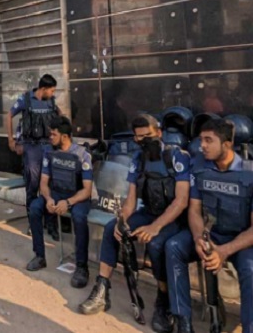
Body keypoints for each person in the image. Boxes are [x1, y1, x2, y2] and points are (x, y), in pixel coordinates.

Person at [79, 115, 191, 333]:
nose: (144, 141)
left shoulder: (176, 157)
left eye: (148, 136)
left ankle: (164, 299)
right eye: (139, 138)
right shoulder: (138, 159)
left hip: (173, 218)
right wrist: (122, 220)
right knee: (112, 229)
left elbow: (181, 201)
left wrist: (155, 227)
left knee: (157, 244)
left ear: (159, 133)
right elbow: (130, 199)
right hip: (148, 213)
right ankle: (102, 289)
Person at [165, 119, 253, 333]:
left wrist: (224, 251)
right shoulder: (199, 168)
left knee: (251, 269)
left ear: (227, 144)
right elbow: (194, 210)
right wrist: (198, 239)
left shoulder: (250, 174)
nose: (202, 145)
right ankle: (183, 321)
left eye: (208, 140)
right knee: (174, 246)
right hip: (210, 234)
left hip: (241, 241)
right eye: (201, 140)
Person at [27, 116, 94, 289]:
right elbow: (43, 182)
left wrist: (68, 202)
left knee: (79, 217)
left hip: (78, 197)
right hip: (56, 193)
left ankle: (82, 267)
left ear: (64, 136)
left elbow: (87, 190)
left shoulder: (82, 155)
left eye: (53, 134)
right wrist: (49, 199)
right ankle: (40, 256)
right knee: (35, 208)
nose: (50, 137)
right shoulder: (49, 153)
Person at [8, 74, 60, 238]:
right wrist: (11, 140)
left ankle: (50, 224)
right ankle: (34, 223)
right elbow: (9, 115)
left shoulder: (51, 102)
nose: (52, 93)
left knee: (50, 186)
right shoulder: (26, 99)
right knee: (33, 185)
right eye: (51, 90)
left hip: (48, 147)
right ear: (43, 89)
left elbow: (60, 116)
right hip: (31, 147)